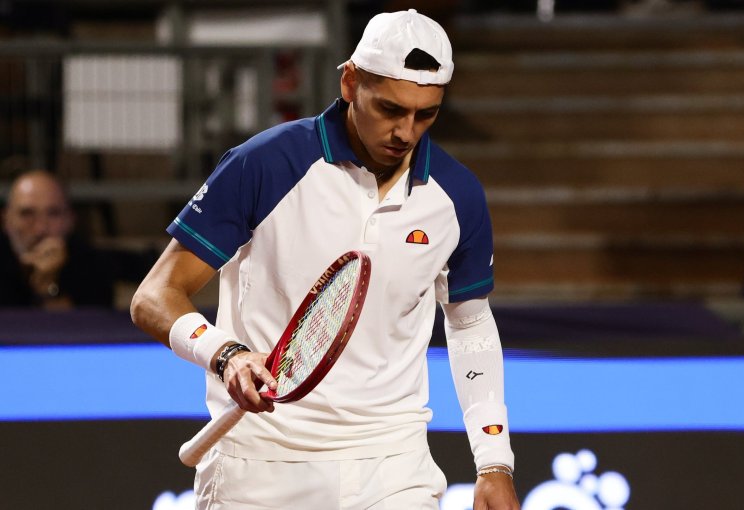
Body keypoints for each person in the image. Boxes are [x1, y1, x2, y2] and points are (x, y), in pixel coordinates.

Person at [131, 9, 519, 510]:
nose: (406, 131)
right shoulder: (264, 163)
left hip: (393, 465)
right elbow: (153, 297)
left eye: (425, 114)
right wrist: (225, 355)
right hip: (259, 464)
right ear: (350, 81)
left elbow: (470, 325)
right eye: (390, 108)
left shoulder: (458, 195)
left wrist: (493, 460)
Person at [1, 170, 151, 309]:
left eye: (53, 213)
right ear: (6, 219)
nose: (40, 228)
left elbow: (80, 330)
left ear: (70, 220)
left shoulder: (90, 265)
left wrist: (48, 287)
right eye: (27, 214)